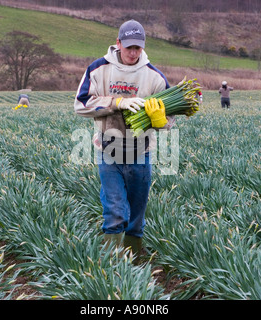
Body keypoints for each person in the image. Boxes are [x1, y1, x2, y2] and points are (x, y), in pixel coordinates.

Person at [74, 19, 174, 262]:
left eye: (137, 48)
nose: (133, 52)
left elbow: (169, 117)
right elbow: (81, 104)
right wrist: (116, 102)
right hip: (108, 150)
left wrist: (162, 120)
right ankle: (111, 263)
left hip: (141, 152)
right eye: (128, 47)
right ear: (118, 43)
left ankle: (134, 260)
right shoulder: (98, 69)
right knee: (116, 210)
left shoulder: (155, 77)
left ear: (143, 47)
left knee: (137, 211)